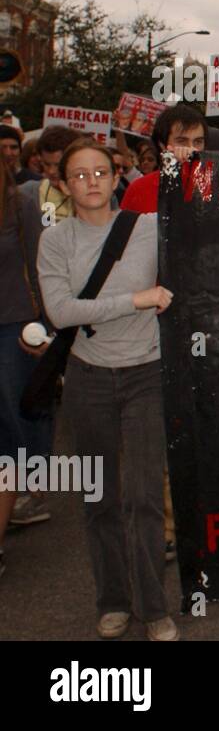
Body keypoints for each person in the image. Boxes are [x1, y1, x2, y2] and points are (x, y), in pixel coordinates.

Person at [36, 139, 178, 640]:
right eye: (79, 175)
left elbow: (192, 276)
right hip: (88, 378)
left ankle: (154, 607)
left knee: (143, 498)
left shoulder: (149, 230)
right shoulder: (55, 242)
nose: (92, 182)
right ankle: (113, 600)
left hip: (146, 373)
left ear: (117, 177)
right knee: (100, 500)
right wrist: (136, 299)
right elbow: (62, 311)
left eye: (101, 171)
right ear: (62, 184)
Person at [0, 161, 49, 570]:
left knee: (14, 423)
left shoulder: (20, 206)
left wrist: (46, 328)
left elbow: (39, 266)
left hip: (13, 328)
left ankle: (26, 494)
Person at [119, 104, 208, 214]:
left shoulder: (218, 186)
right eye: (182, 141)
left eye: (198, 142)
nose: (191, 149)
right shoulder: (139, 189)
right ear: (162, 144)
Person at [19, 125, 80, 224]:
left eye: (58, 165)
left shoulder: (92, 195)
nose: (51, 171)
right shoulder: (26, 193)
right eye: (46, 164)